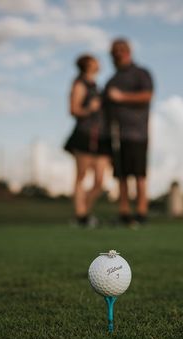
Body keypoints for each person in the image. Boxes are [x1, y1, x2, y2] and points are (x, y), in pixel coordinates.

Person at [104, 38, 154, 225]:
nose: (118, 54)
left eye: (121, 50)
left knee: (139, 175)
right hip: (116, 135)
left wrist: (121, 97)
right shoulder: (111, 80)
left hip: (137, 133)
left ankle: (141, 215)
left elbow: (147, 95)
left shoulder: (141, 73)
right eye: (114, 51)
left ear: (128, 52)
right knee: (121, 176)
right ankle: (124, 214)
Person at [64, 55, 111, 226]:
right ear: (87, 65)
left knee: (99, 181)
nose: (98, 63)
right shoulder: (79, 84)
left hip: (101, 137)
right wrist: (89, 109)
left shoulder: (96, 86)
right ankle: (80, 215)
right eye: (94, 61)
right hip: (84, 135)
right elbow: (73, 109)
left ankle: (84, 214)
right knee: (81, 176)